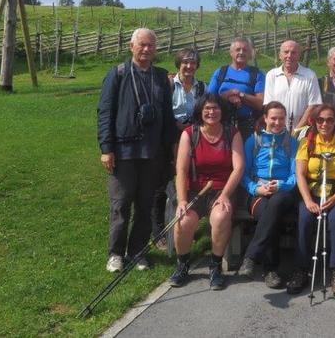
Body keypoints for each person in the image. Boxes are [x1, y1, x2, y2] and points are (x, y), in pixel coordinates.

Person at [97, 28, 176, 272]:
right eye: (142, 44)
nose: (146, 49)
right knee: (121, 204)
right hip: (123, 152)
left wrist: (170, 151)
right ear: (131, 46)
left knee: (145, 205)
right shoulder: (118, 74)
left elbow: (168, 116)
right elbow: (105, 112)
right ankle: (115, 254)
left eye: (151, 45)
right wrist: (106, 148)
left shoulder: (161, 77)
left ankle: (137, 251)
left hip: (152, 153)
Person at [169, 94, 245, 290]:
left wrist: (225, 194)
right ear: (200, 112)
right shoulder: (189, 134)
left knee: (221, 217)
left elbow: (238, 168)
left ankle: (215, 265)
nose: (212, 112)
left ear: (222, 111)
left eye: (216, 108)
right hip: (195, 190)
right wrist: (182, 200)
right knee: (184, 221)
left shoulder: (232, 133)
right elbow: (181, 170)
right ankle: (183, 264)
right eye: (207, 109)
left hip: (222, 189)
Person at [287, 104, 335, 299]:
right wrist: (308, 200)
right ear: (315, 122)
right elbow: (300, 174)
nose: (325, 124)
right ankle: (301, 269)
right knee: (305, 219)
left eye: (330, 120)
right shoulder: (307, 142)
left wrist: (334, 199)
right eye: (320, 120)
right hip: (312, 193)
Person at [239, 101, 299, 289]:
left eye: (281, 118)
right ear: (265, 118)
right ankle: (270, 269)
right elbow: (243, 173)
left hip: (283, 192)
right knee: (269, 212)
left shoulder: (292, 142)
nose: (277, 122)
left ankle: (251, 256)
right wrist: (255, 189)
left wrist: (281, 185)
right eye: (273, 118)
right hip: (257, 192)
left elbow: (296, 175)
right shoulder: (253, 141)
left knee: (275, 204)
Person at [151, 48, 206, 251]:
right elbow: (160, 111)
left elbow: (206, 112)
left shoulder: (202, 87)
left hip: (193, 141)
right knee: (161, 186)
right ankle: (158, 232)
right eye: (185, 62)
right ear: (178, 64)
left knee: (187, 182)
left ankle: (186, 227)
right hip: (168, 140)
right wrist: (177, 126)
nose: (189, 66)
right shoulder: (168, 85)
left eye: (193, 63)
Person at [207, 38, 265, 139]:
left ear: (250, 54)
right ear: (231, 53)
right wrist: (228, 95)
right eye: (238, 49)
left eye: (245, 50)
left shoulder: (257, 74)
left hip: (248, 126)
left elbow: (260, 104)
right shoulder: (220, 72)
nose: (241, 52)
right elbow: (208, 99)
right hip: (221, 123)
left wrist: (239, 94)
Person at [263, 40, 322, 132]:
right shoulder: (272, 75)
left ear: (299, 55)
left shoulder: (310, 75)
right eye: (286, 52)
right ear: (280, 55)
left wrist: (297, 130)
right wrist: (279, 129)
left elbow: (313, 105)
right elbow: (269, 105)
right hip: (276, 129)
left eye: (293, 52)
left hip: (303, 132)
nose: (289, 56)